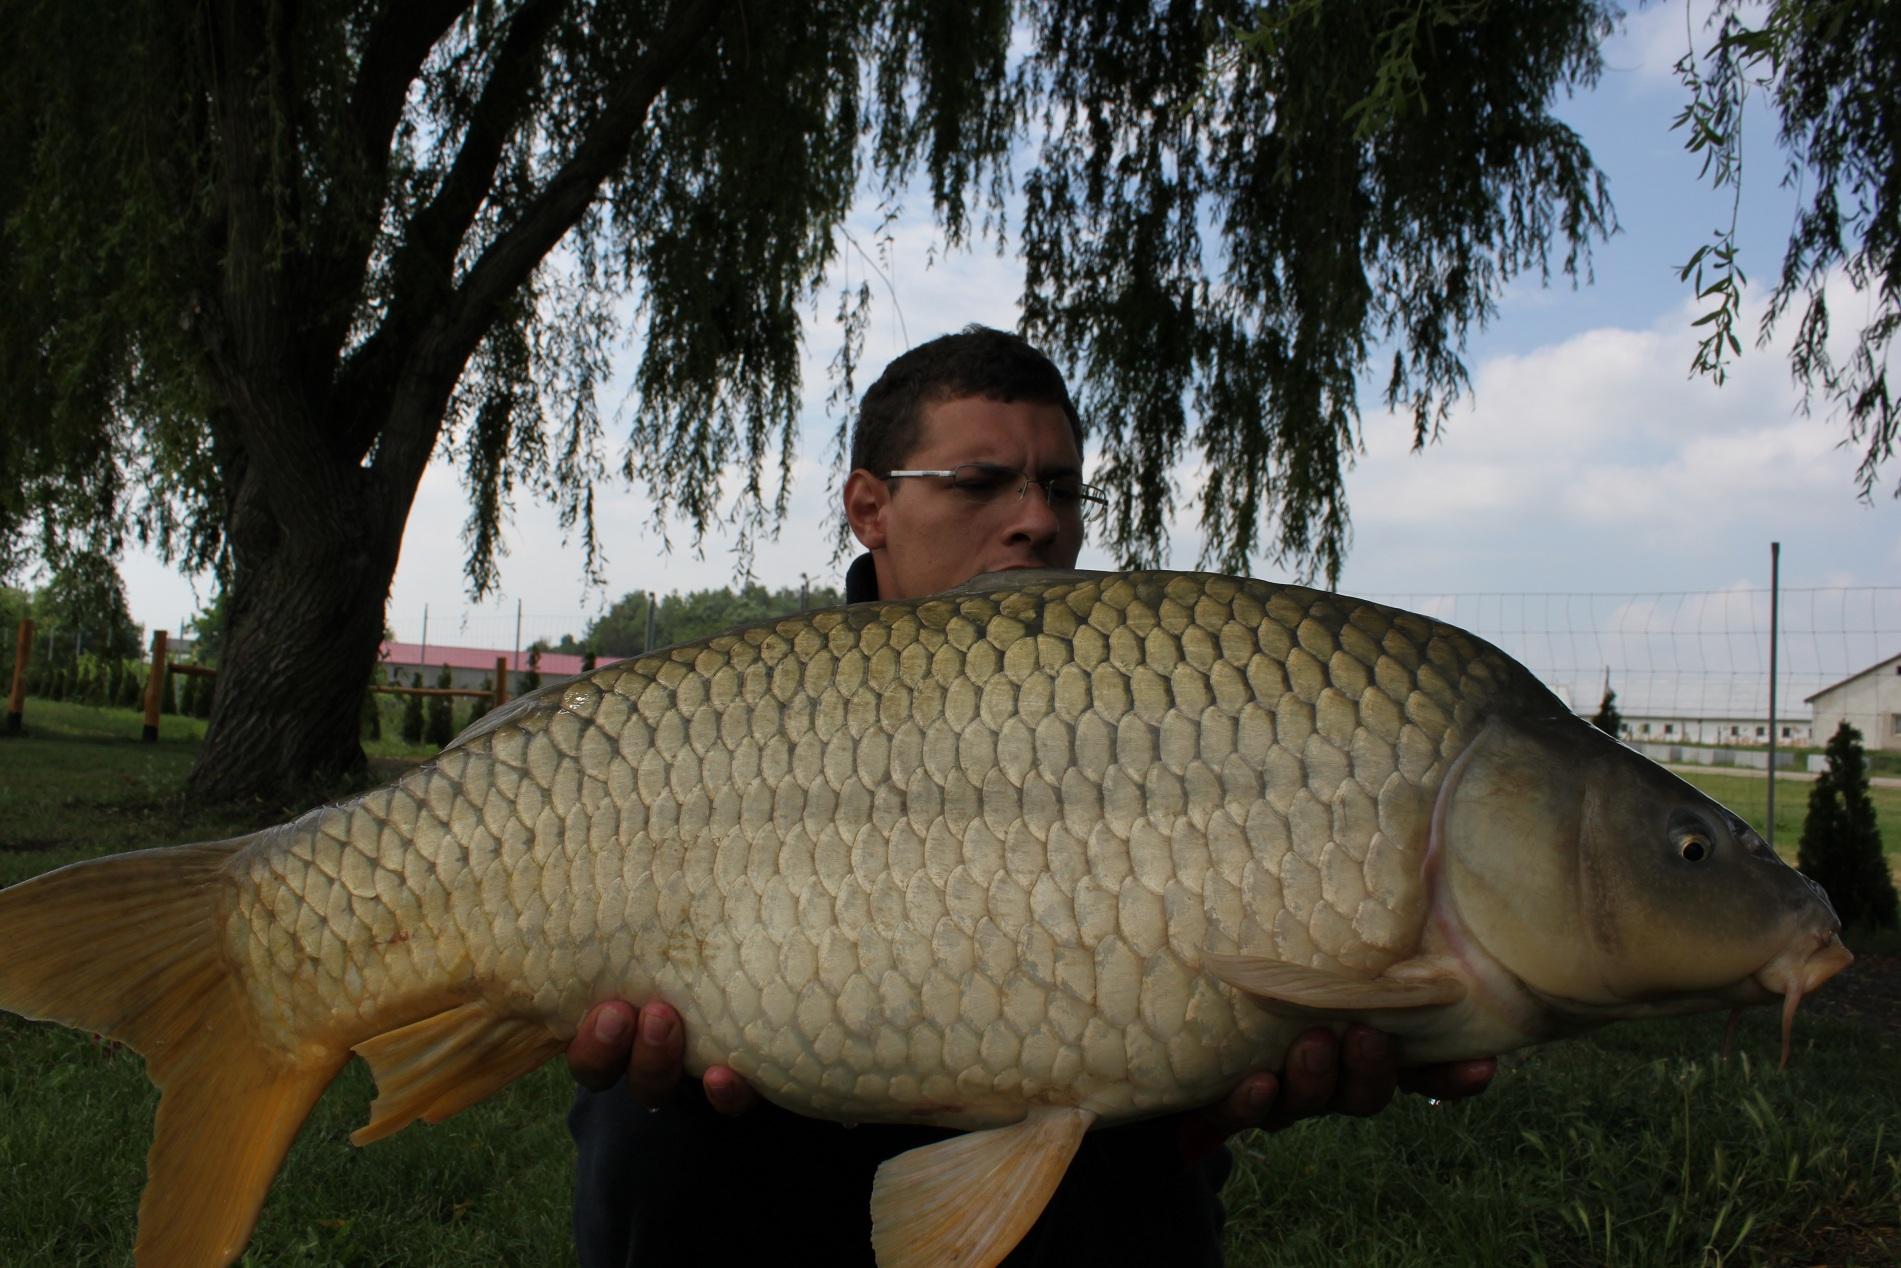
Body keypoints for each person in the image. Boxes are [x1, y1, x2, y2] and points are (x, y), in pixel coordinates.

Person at [566, 326, 1495, 1265]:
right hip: (763, 1170)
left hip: (1084, 1171)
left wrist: (1222, 1078)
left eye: (1058, 487)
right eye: (978, 484)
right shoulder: (736, 716)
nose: (1036, 521)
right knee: (640, 1105)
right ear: (868, 507)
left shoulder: (1166, 698)